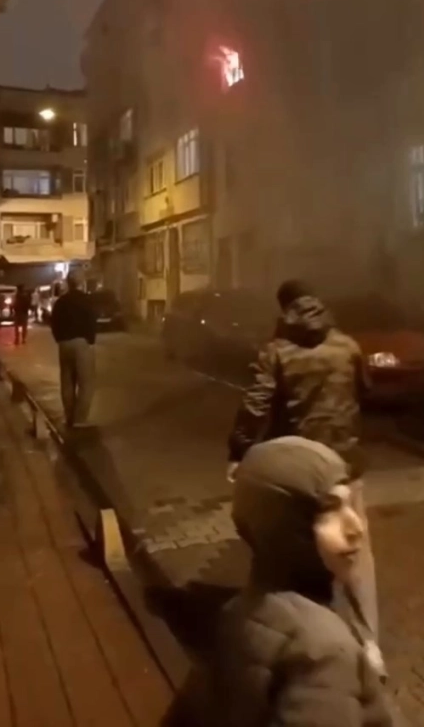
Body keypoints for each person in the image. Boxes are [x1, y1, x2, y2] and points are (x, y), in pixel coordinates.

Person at [168, 437, 392, 727]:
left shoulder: (237, 610)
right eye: (328, 510)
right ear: (286, 528)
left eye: (350, 505)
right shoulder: (325, 653)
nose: (356, 527)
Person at [227, 278, 380, 663]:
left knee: (299, 555)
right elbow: (366, 391)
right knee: (356, 550)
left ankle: (312, 641)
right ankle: (369, 643)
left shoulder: (277, 351)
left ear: (285, 309)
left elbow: (256, 405)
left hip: (301, 470)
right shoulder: (347, 345)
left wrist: (239, 449)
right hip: (344, 464)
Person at [50, 272, 97, 428]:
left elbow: (54, 322)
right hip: (81, 343)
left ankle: (69, 416)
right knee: (86, 383)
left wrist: (59, 339)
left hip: (64, 344)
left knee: (67, 382)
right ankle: (80, 419)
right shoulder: (86, 300)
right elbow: (91, 321)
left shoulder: (60, 302)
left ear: (68, 283)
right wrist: (90, 340)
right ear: (81, 282)